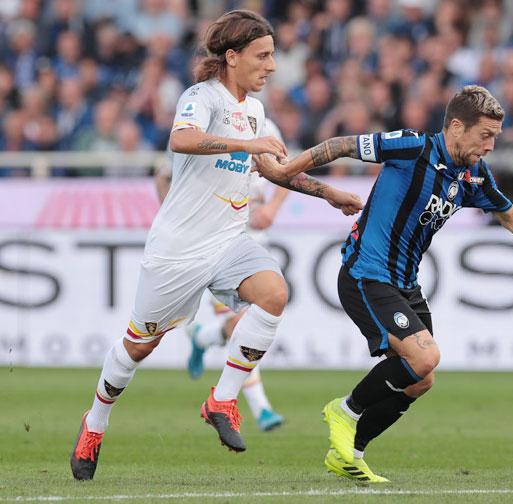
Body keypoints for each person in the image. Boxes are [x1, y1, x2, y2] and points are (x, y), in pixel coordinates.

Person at [70, 10, 363, 481]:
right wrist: (247, 147)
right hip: (178, 248)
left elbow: (272, 171)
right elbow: (181, 140)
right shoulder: (201, 96)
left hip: (228, 240)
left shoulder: (257, 112)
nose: (270, 66)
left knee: (273, 294)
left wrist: (331, 196)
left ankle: (222, 399)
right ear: (232, 56)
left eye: (273, 56)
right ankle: (96, 421)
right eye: (262, 56)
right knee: (136, 348)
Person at [253, 85, 513, 483]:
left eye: (495, 138)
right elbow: (341, 144)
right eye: (485, 135)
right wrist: (283, 171)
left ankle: (350, 452)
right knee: (425, 358)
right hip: (366, 274)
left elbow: (509, 215)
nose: (490, 146)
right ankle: (343, 411)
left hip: (405, 285)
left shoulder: (473, 174)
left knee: (421, 379)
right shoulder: (410, 147)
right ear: (456, 127)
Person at [154, 117, 288, 432]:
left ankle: (202, 336)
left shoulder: (267, 125)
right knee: (244, 324)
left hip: (254, 237)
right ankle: (261, 408)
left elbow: (288, 170)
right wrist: (174, 219)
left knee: (258, 318)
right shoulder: (198, 128)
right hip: (216, 240)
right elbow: (163, 177)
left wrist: (272, 209)